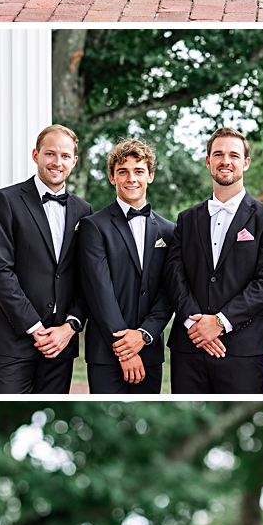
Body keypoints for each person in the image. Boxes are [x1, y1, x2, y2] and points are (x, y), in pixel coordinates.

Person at [166, 130, 263, 395]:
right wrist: (195, 324)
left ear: (246, 162)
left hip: (244, 349)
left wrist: (220, 322)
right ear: (208, 161)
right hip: (189, 346)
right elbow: (174, 274)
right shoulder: (186, 219)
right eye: (218, 154)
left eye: (234, 155)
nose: (226, 161)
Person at [0, 123, 92, 394]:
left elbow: (86, 277)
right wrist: (34, 327)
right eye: (50, 153)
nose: (57, 162)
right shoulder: (4, 201)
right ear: (36, 155)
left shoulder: (84, 210)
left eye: (65, 156)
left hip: (61, 345)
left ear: (74, 161)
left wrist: (70, 327)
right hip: (12, 341)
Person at [76, 139, 177, 394]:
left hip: (150, 351)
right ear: (112, 177)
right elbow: (99, 292)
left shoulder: (170, 230)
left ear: (150, 176)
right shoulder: (93, 227)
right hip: (106, 353)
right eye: (123, 171)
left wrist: (144, 334)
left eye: (139, 171)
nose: (131, 178)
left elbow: (170, 290)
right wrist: (125, 348)